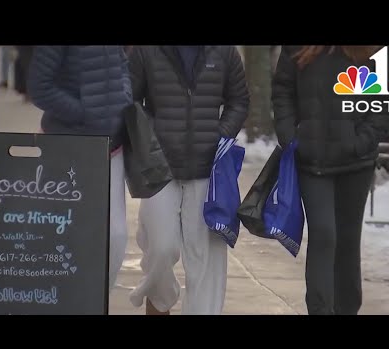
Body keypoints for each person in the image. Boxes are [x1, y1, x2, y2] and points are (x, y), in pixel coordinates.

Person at [271, 46, 389, 315]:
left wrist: (363, 140)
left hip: (356, 163)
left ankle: (347, 309)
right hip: (312, 161)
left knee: (347, 242)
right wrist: (291, 137)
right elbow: (282, 88)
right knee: (323, 235)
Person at [127, 46, 250, 315]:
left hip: (209, 168)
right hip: (159, 167)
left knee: (206, 259)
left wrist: (220, 135)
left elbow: (238, 100)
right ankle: (160, 300)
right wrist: (151, 139)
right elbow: (130, 102)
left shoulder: (225, 51)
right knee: (160, 247)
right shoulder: (145, 51)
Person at [27, 46, 133, 293]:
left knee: (114, 237)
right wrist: (86, 113)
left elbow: (122, 67)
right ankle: (66, 298)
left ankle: (94, 299)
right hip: (69, 147)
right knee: (63, 236)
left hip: (111, 148)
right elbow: (39, 87)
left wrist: (124, 98)